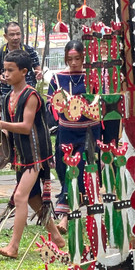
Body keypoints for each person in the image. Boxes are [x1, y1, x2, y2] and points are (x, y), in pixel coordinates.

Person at [0, 49, 65, 258]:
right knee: (33, 198)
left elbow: (26, 127)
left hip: (35, 155)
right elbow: (10, 129)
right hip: (22, 155)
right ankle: (57, 237)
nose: (5, 74)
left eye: (10, 70)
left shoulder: (31, 95)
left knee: (19, 197)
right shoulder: (9, 95)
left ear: (24, 71)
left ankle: (14, 247)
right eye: (4, 70)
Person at [46, 40, 99, 223]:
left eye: (77, 58)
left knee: (80, 167)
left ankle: (65, 216)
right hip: (66, 132)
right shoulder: (58, 77)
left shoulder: (93, 75)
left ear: (84, 57)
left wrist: (87, 106)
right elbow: (50, 103)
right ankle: (70, 206)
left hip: (90, 131)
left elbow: (102, 101)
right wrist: (61, 108)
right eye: (70, 59)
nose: (74, 62)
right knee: (65, 168)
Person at [0, 22, 42, 98]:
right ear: (5, 36)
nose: (16, 37)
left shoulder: (30, 51)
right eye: (12, 35)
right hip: (7, 95)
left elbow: (38, 70)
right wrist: (0, 77)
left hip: (27, 94)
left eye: (18, 34)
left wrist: (39, 74)